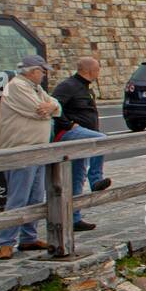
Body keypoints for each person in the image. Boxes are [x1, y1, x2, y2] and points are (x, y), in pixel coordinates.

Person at [0, 55, 61, 260]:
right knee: (18, 198)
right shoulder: (17, 86)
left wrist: (52, 107)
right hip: (21, 149)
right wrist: (51, 108)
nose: (43, 75)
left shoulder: (34, 88)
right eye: (42, 71)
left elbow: (55, 106)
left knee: (35, 196)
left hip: (37, 148)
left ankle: (28, 238)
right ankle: (6, 242)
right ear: (32, 71)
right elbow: (38, 111)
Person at [52, 56, 111, 232]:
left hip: (82, 138)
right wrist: (67, 124)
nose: (99, 72)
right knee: (101, 139)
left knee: (77, 177)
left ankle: (74, 219)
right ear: (89, 70)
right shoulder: (68, 86)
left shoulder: (85, 88)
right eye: (98, 69)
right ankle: (96, 180)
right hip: (69, 134)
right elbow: (54, 105)